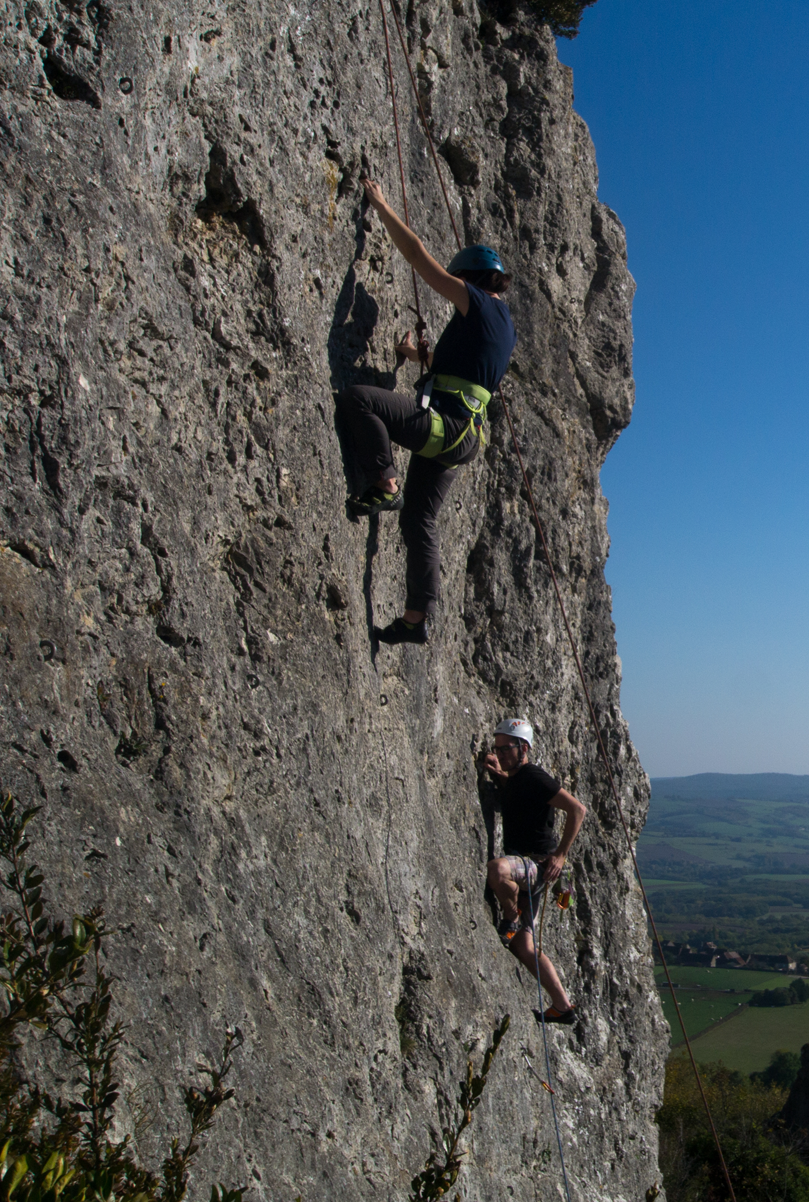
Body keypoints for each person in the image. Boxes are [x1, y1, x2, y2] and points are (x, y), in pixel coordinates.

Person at [336, 178, 517, 646]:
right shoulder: (503, 327)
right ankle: (416, 618)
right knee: (419, 518)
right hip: (463, 434)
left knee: (359, 400)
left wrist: (380, 205)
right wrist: (417, 357)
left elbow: (419, 257)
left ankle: (384, 482)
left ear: (473, 278)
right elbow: (467, 372)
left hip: (448, 426)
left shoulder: (477, 303)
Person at [478, 717, 587, 1023]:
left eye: (506, 748)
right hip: (530, 867)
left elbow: (577, 809)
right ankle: (562, 1007)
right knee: (523, 946)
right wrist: (500, 776)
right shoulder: (518, 778)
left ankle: (510, 917)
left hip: (536, 864)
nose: (500, 753)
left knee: (498, 870)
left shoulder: (534, 776)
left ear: (523, 748)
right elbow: (520, 795)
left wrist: (561, 855)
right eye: (497, 748)